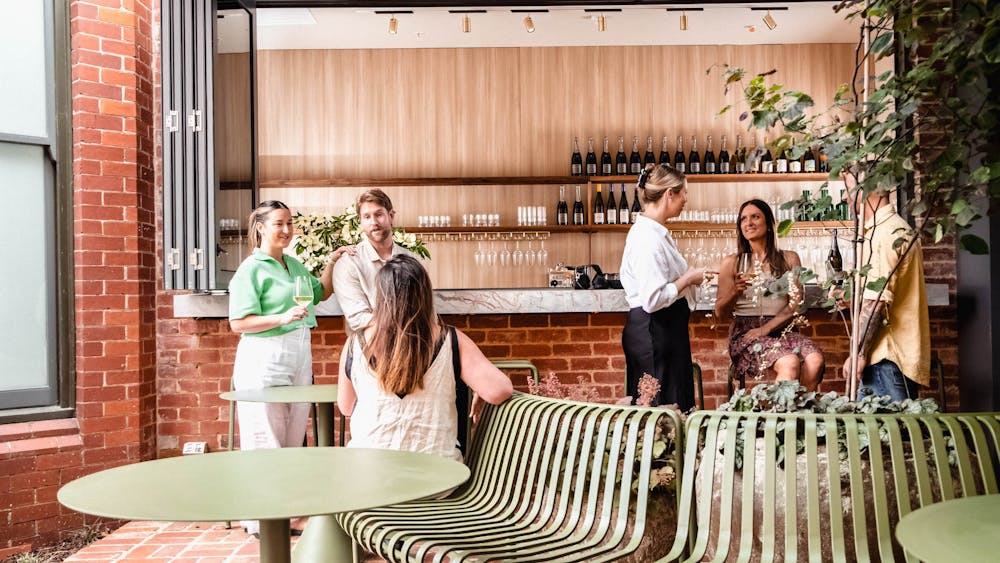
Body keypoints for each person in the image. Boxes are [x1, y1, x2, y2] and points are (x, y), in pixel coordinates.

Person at [227, 199, 350, 535]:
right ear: (261, 228)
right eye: (278, 223)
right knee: (264, 435)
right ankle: (261, 520)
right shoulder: (251, 269)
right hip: (264, 355)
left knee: (294, 434)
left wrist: (333, 262)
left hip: (299, 353)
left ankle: (288, 512)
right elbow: (238, 323)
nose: (285, 230)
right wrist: (281, 317)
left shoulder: (292, 266)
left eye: (289, 223)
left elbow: (321, 292)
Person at [337, 255, 513, 461]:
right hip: (439, 481)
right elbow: (499, 390)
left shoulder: (355, 343)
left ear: (380, 297)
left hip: (370, 480)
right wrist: (479, 387)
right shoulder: (451, 340)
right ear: (424, 294)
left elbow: (347, 406)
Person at [620, 164, 705, 411]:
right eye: (683, 193)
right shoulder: (647, 238)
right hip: (654, 332)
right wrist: (689, 278)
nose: (686, 200)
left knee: (670, 409)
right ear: (669, 194)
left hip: (664, 332)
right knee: (662, 415)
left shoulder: (656, 233)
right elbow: (653, 299)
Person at [715, 199, 824, 391]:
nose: (748, 223)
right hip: (746, 333)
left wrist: (764, 329)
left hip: (782, 329)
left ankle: (800, 415)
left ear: (769, 224)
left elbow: (795, 303)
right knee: (789, 362)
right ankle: (780, 419)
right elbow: (720, 314)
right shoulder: (732, 263)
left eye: (755, 217)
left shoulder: (789, 259)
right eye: (743, 219)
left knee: (815, 361)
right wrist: (734, 292)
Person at [843, 188, 930, 401]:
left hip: (885, 356)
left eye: (848, 189)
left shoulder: (883, 234)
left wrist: (858, 354)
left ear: (867, 190)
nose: (845, 197)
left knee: (886, 433)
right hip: (895, 356)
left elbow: (876, 302)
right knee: (896, 432)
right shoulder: (897, 227)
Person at [333, 188, 417, 335]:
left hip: (412, 347)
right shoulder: (348, 263)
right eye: (367, 217)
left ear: (391, 216)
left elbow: (426, 309)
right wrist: (404, 325)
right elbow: (358, 318)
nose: (374, 222)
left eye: (379, 214)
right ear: (360, 222)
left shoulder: (412, 259)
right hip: (367, 352)